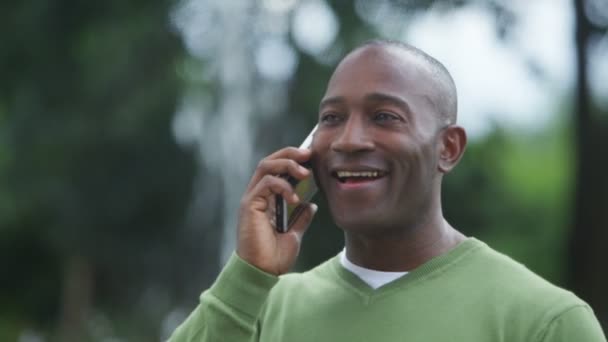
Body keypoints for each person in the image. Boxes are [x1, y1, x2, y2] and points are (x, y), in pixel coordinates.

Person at [168, 40, 606, 341]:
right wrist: (248, 273)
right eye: (332, 118)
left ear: (447, 148)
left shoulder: (545, 322)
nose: (348, 140)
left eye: (384, 117)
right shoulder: (258, 310)